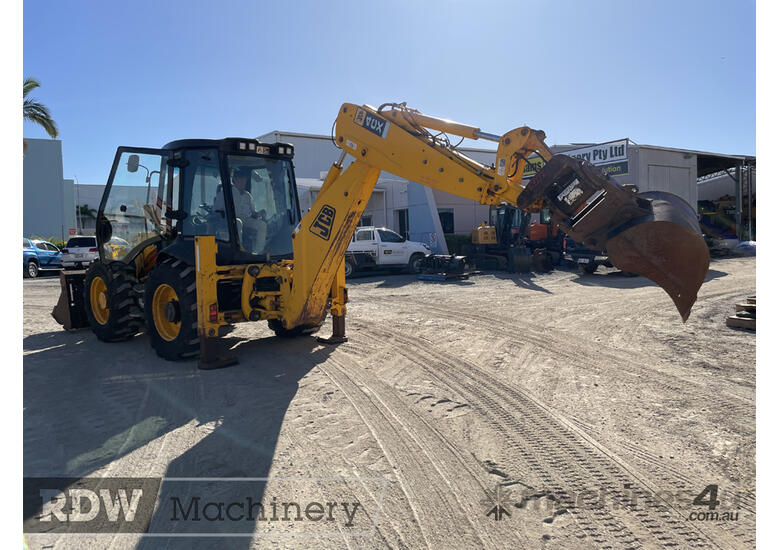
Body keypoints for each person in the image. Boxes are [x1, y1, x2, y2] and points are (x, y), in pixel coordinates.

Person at [214, 168, 267, 252]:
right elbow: (216, 211)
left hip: (247, 220)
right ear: (234, 180)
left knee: (262, 225)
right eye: (240, 179)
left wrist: (261, 213)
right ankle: (239, 250)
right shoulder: (225, 194)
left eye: (244, 179)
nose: (242, 181)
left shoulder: (248, 196)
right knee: (238, 222)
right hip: (231, 221)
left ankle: (258, 252)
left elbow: (253, 212)